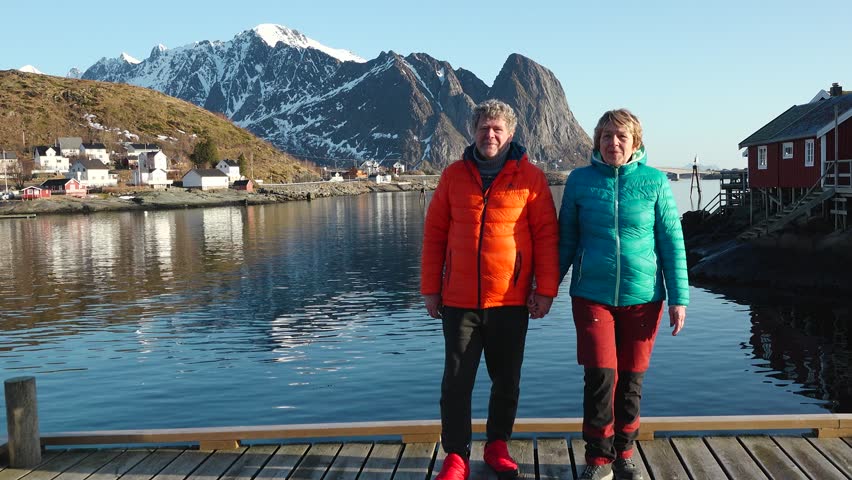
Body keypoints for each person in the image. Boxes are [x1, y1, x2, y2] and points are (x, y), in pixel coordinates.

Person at [421, 99, 560, 480]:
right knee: (456, 381)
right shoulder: (453, 176)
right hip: (459, 300)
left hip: (510, 300)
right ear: (473, 132)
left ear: (511, 133)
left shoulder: (530, 178)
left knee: (506, 379)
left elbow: (547, 237)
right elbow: (434, 235)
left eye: (498, 129)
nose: (490, 135)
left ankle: (498, 444)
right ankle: (456, 455)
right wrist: (431, 288)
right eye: (484, 128)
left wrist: (546, 291)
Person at [558, 109, 689, 480]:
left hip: (644, 297)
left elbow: (672, 242)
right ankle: (598, 459)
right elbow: (565, 240)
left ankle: (625, 452)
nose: (613, 143)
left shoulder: (655, 182)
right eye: (606, 136)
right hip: (592, 294)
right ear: (597, 141)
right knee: (600, 377)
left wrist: (679, 297)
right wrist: (546, 290)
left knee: (631, 381)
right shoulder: (580, 181)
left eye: (621, 136)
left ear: (635, 142)